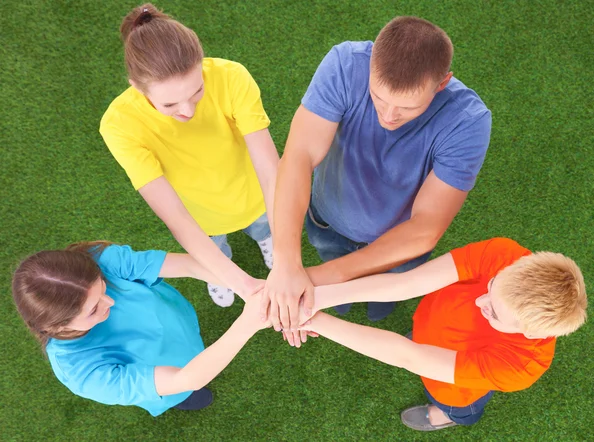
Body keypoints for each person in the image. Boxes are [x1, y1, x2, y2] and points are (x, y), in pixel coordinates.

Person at [263, 16, 492, 345]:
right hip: (328, 219)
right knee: (333, 265)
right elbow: (299, 155)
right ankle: (344, 299)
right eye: (379, 97)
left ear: (442, 84)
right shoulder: (344, 64)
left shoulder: (468, 122)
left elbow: (426, 227)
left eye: (407, 107)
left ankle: (377, 303)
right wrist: (287, 265)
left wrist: (312, 282)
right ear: (370, 67)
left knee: (385, 292)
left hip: (400, 247)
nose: (388, 116)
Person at [293, 238, 587, 431]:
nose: (479, 301)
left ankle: (448, 417)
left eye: (493, 312)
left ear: (529, 331)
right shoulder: (505, 255)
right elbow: (405, 284)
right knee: (415, 340)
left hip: (454, 391)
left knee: (456, 406)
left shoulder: (520, 366)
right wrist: (317, 299)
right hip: (427, 332)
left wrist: (315, 321)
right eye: (492, 284)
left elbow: (409, 356)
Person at [100, 4, 279, 308]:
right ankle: (217, 270)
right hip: (198, 215)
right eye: (169, 105)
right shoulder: (119, 125)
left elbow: (270, 171)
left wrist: (287, 257)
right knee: (215, 248)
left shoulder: (231, 76)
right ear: (137, 88)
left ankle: (267, 239)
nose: (188, 110)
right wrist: (244, 285)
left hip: (252, 192)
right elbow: (176, 218)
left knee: (263, 224)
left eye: (197, 91)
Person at [11, 241, 270, 416]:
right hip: (177, 379)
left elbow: (191, 265)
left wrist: (250, 288)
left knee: (196, 347)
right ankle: (185, 400)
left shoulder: (97, 260)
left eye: (103, 287)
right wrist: (247, 324)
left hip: (178, 326)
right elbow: (186, 379)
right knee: (186, 391)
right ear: (56, 326)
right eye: (92, 309)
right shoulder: (81, 372)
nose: (110, 301)